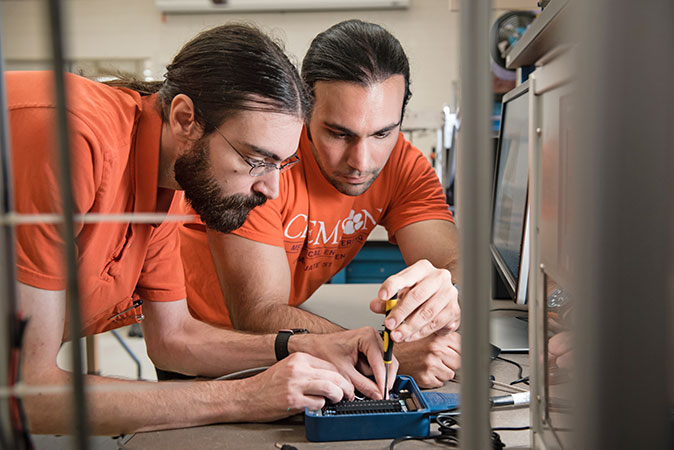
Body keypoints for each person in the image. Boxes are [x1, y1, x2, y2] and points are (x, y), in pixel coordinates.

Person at [9, 23, 396, 436]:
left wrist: (300, 344)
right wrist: (249, 396)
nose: (271, 188)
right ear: (184, 119)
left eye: (282, 164)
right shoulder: (71, 140)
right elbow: (26, 394)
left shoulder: (169, 181)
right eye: (256, 159)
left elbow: (172, 339)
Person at [180, 20, 462, 389]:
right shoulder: (267, 163)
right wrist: (378, 352)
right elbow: (258, 312)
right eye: (339, 133)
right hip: (210, 350)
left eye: (382, 133)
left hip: (298, 350)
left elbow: (454, 264)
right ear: (304, 109)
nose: (361, 161)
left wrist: (447, 292)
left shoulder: (404, 165)